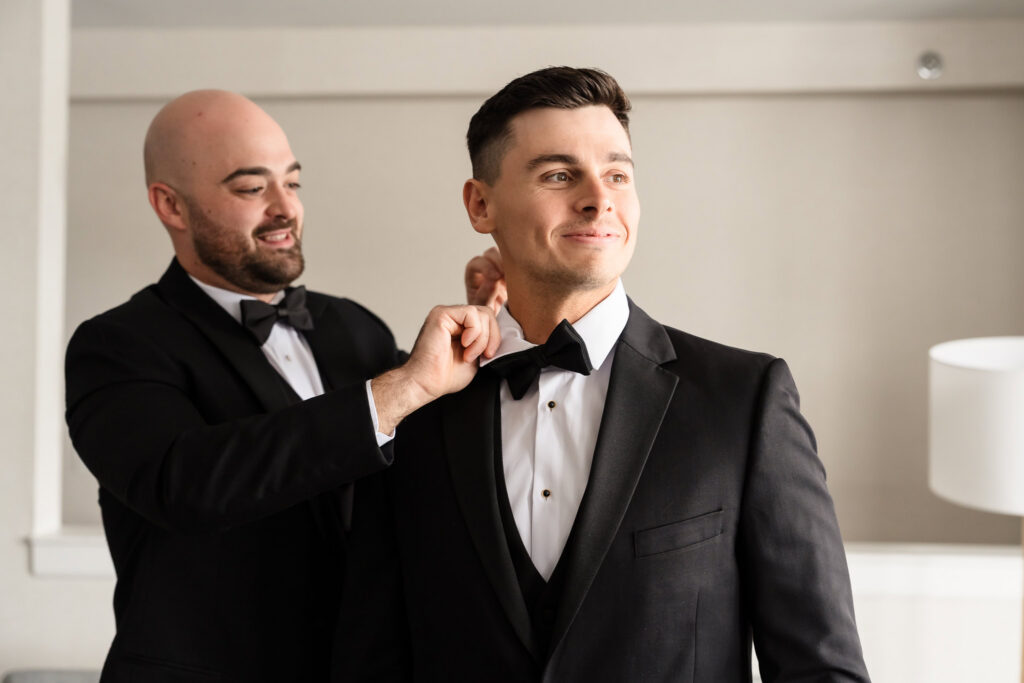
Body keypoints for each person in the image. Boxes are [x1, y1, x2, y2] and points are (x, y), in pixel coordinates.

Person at [336, 67, 871, 681]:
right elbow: (369, 658)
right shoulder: (410, 411)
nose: (599, 199)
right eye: (559, 175)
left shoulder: (744, 399)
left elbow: (820, 667)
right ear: (481, 205)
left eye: (617, 174)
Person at [64, 90, 502, 683]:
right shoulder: (116, 345)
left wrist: (490, 321)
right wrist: (395, 391)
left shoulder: (354, 326)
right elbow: (184, 486)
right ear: (171, 205)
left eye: (292, 183)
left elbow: (435, 455)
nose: (285, 208)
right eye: (252, 188)